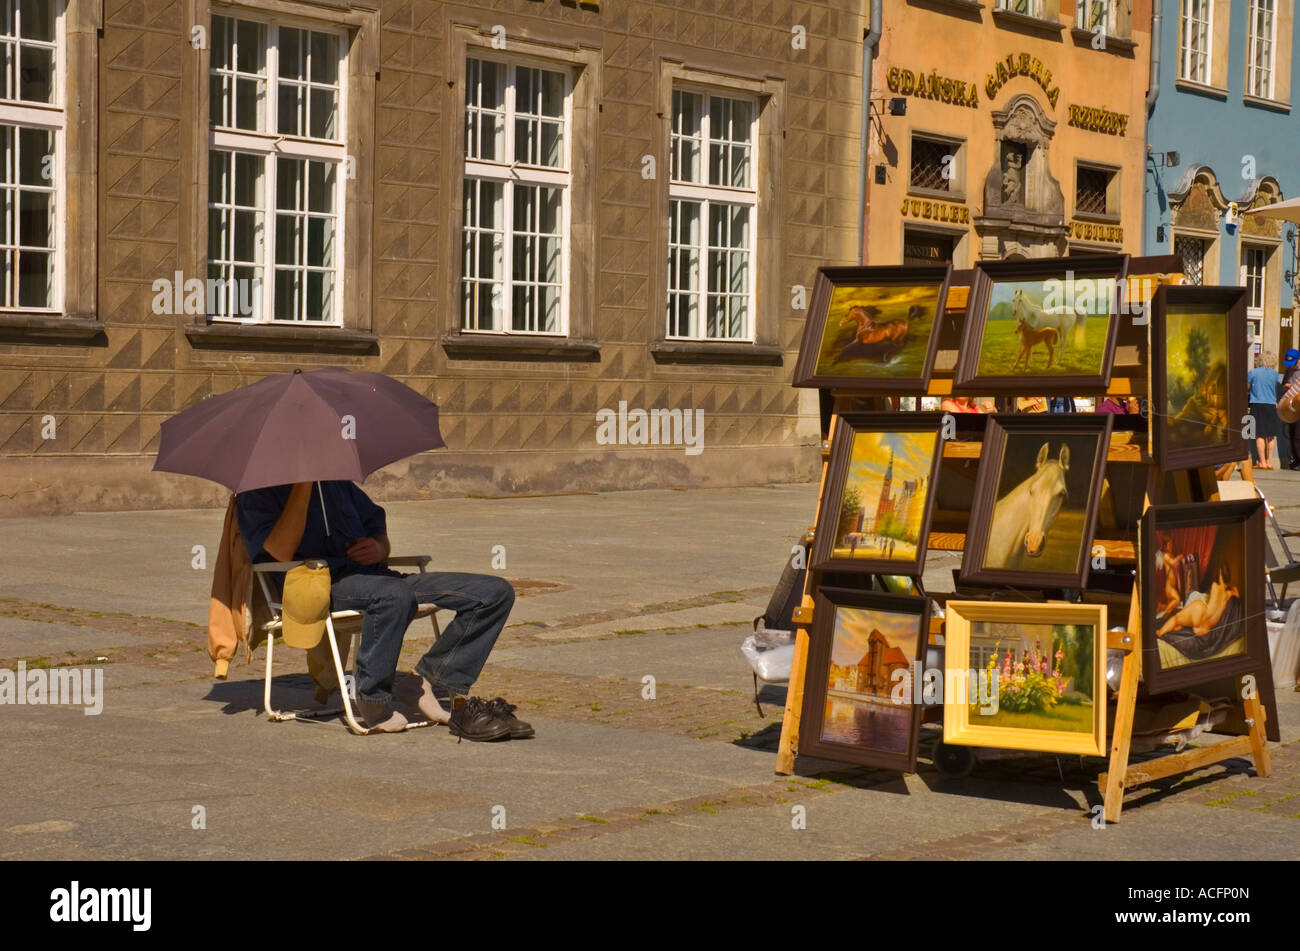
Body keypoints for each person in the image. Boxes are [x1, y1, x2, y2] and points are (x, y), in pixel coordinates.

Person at [237, 481, 525, 740]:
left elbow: (376, 525)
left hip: (379, 578)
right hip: (320, 586)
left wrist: (378, 547)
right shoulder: (256, 494)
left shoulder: (338, 486)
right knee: (394, 595)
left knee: (494, 593)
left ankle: (426, 680)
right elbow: (280, 552)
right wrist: (303, 487)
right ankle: (372, 700)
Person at [1247, 351, 1281, 469]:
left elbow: (1247, 386)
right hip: (1271, 405)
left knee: (1260, 434)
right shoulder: (1275, 374)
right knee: (1271, 435)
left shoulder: (1253, 372)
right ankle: (1270, 462)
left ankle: (1262, 462)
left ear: (1260, 360)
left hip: (1257, 404)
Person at [1281, 349, 1300, 468]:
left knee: (1298, 434)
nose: (1291, 366)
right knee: (1292, 433)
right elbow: (1284, 384)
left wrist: (1293, 386)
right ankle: (1296, 459)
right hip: (1290, 406)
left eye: (1293, 363)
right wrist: (1286, 387)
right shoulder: (1289, 370)